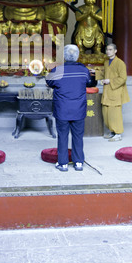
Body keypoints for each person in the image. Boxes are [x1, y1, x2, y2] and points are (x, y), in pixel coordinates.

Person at [46, 44, 95, 172]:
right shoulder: (84, 70)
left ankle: (63, 164)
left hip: (62, 109)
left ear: (64, 56)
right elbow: (89, 82)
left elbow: (49, 83)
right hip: (78, 109)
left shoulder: (57, 70)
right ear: (77, 56)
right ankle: (78, 162)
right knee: (78, 136)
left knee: (62, 135)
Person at [94, 43, 130, 141]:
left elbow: (123, 78)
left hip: (116, 91)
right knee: (106, 113)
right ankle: (112, 131)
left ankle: (118, 134)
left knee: (115, 114)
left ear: (115, 51)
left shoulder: (120, 63)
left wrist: (110, 81)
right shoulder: (106, 62)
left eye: (110, 49)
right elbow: (105, 73)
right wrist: (95, 73)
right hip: (107, 91)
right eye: (107, 50)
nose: (108, 51)